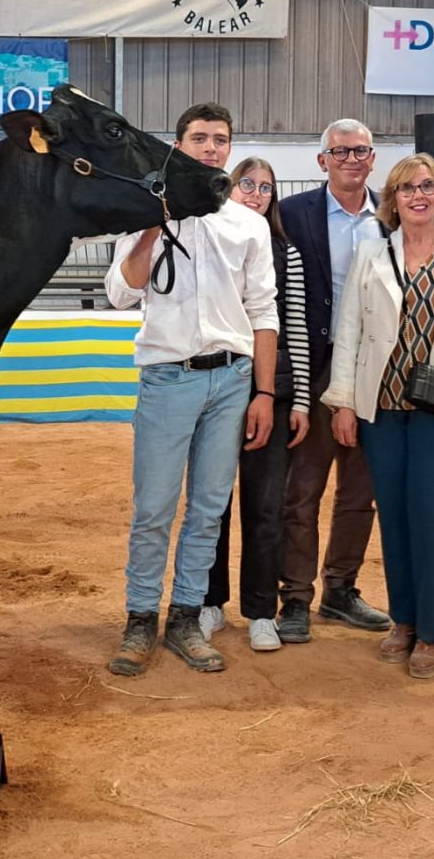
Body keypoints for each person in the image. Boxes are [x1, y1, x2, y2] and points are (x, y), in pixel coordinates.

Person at [104, 103, 278, 676]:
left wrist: (264, 393)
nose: (211, 148)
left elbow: (264, 312)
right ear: (178, 146)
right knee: (154, 508)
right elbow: (121, 293)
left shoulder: (248, 224)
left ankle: (184, 617)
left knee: (208, 507)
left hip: (232, 379)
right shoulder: (144, 216)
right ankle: (138, 619)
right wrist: (154, 222)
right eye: (199, 138)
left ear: (230, 147)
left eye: (220, 139)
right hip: (167, 377)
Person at [325, 153, 434, 680]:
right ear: (393, 200)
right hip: (382, 411)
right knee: (396, 520)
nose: (418, 195)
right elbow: (350, 333)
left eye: (428, 186)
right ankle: (401, 622)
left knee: (433, 522)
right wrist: (344, 403)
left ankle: (431, 632)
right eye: (406, 188)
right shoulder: (370, 256)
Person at [275, 120, 395, 641]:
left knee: (360, 488)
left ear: (373, 159)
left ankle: (340, 590)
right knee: (302, 487)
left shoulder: (393, 214)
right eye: (340, 151)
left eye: (361, 150)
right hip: (316, 366)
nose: (351, 158)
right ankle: (295, 598)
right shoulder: (292, 213)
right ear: (322, 161)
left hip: (379, 369)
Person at [203, 157, 313, 651]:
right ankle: (208, 601)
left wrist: (302, 399)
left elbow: (296, 328)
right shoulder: (208, 242)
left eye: (265, 187)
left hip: (276, 387)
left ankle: (261, 610)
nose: (256, 193)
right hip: (218, 383)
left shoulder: (285, 252)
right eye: (246, 183)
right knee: (213, 502)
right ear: (228, 189)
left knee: (266, 504)